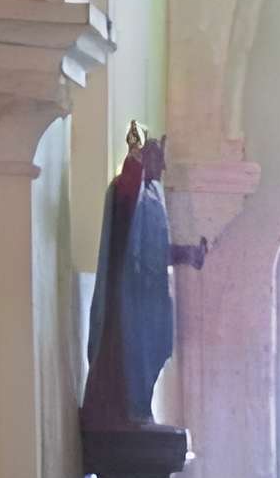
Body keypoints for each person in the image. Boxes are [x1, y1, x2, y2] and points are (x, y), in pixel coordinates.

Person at [80, 129, 208, 430]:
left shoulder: (154, 195)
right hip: (129, 292)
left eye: (160, 161)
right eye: (155, 159)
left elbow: (156, 248)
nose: (160, 168)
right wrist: (134, 161)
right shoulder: (127, 189)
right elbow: (124, 226)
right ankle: (127, 408)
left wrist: (189, 254)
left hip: (153, 294)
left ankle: (140, 406)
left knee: (158, 346)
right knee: (130, 351)